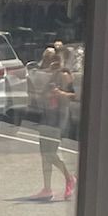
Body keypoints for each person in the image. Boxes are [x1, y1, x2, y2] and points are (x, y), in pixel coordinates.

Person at [33, 46, 76, 202]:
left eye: (53, 60)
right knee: (44, 154)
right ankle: (47, 187)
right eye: (48, 60)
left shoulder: (65, 75)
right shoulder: (50, 76)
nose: (51, 63)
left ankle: (69, 177)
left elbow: (74, 95)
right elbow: (42, 95)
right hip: (47, 116)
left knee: (50, 153)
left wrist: (61, 94)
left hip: (59, 117)